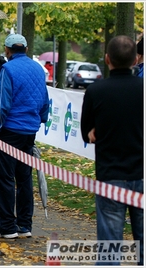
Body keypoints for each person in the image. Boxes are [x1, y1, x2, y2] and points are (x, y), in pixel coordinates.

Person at [80, 35, 143, 266]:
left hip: (110, 177)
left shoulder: (96, 91)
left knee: (109, 248)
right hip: (142, 175)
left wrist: (95, 131)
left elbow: (86, 132)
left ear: (107, 59)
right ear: (136, 59)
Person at [0, 34, 49, 239]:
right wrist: (39, 119)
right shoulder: (38, 69)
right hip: (29, 131)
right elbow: (44, 99)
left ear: (6, 49)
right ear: (27, 48)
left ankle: (6, 226)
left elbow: (1, 104)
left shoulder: (7, 69)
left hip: (8, 130)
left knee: (2, 176)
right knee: (24, 178)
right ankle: (24, 224)